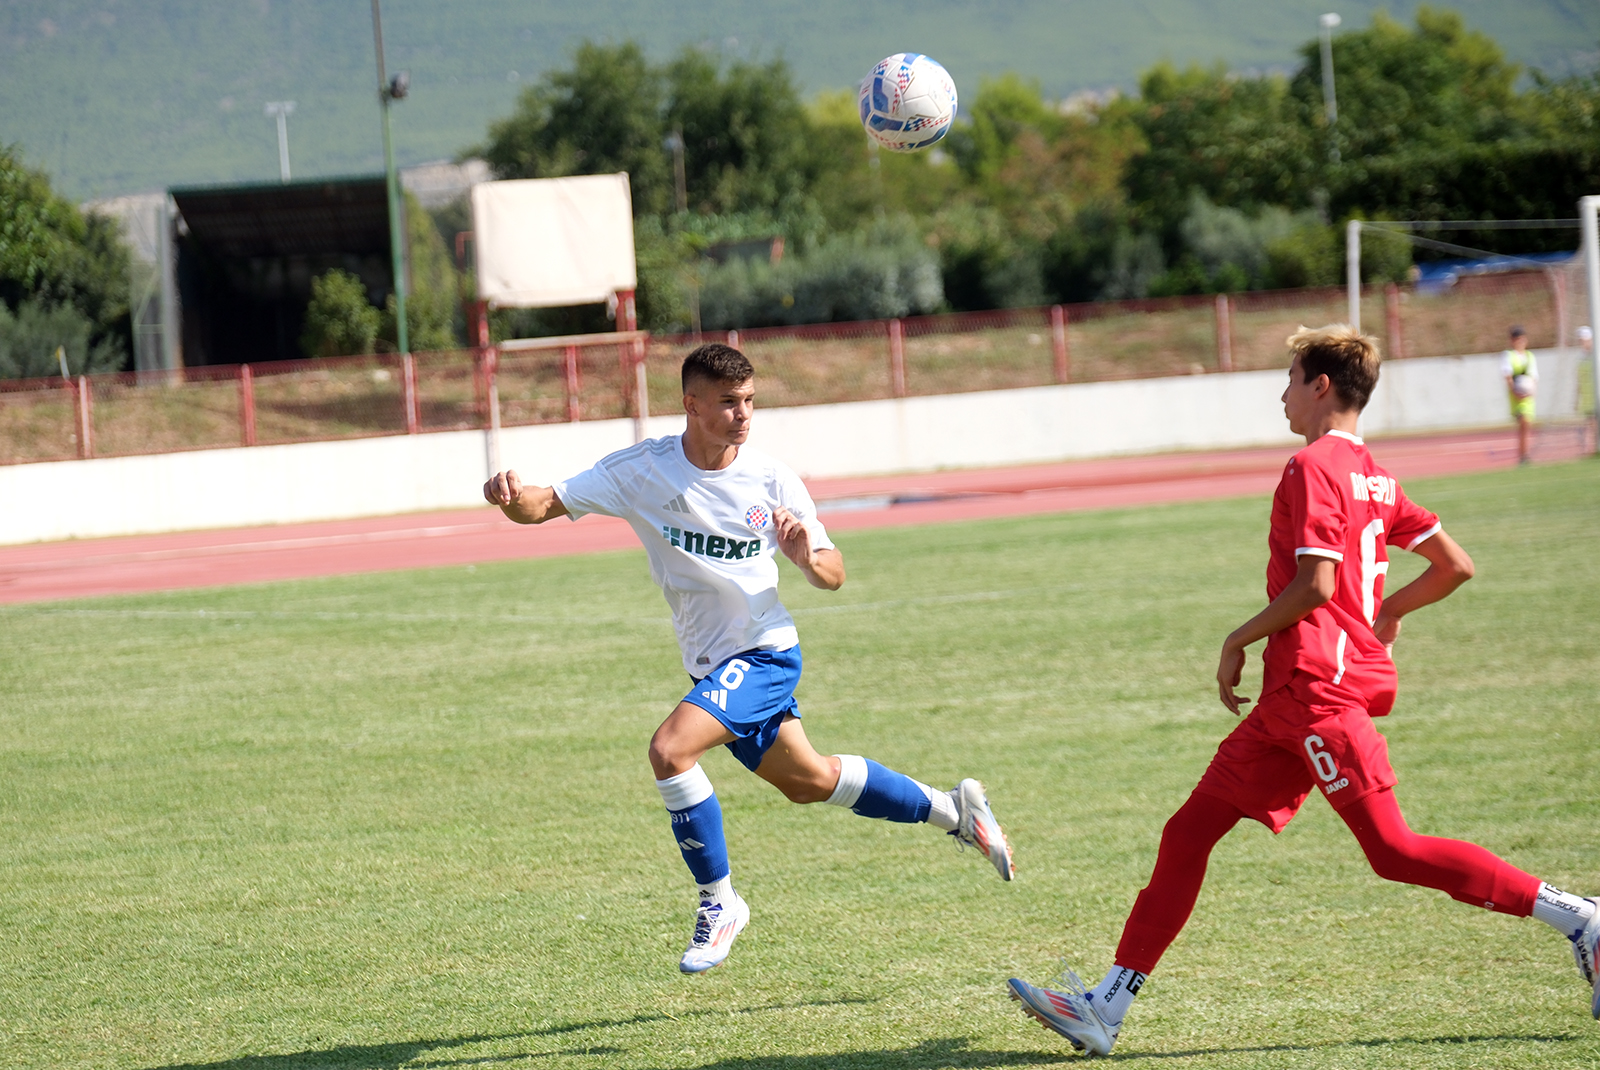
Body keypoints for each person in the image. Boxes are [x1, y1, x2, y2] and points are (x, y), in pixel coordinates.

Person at [1006, 325, 1598, 1054]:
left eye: (1289, 378)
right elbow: (1456, 564)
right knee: (1188, 832)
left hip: (1318, 691)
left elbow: (1316, 584)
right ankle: (1107, 1007)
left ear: (1321, 386)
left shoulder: (1312, 465)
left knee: (1394, 850)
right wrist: (1386, 612)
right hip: (1292, 697)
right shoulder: (1377, 476)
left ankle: (1582, 918)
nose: (1281, 393)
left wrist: (1239, 637)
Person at [484, 343, 1014, 974]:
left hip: (764, 654)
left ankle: (720, 901)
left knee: (670, 749)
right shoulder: (643, 471)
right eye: (729, 403)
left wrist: (804, 558)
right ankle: (952, 810)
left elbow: (834, 572)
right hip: (713, 665)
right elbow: (543, 505)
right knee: (810, 782)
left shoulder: (772, 479)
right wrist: (509, 494)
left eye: (750, 402)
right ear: (692, 405)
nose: (743, 415)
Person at [1501, 325, 1538, 465]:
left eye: (1521, 338)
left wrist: (1533, 391)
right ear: (1512, 340)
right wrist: (1514, 391)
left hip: (1528, 396)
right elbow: (1507, 376)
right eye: (1516, 339)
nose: (1519, 341)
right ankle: (1523, 455)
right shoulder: (1508, 355)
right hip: (1516, 396)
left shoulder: (1529, 356)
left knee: (1527, 424)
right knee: (1523, 421)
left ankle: (1524, 455)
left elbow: (1534, 377)